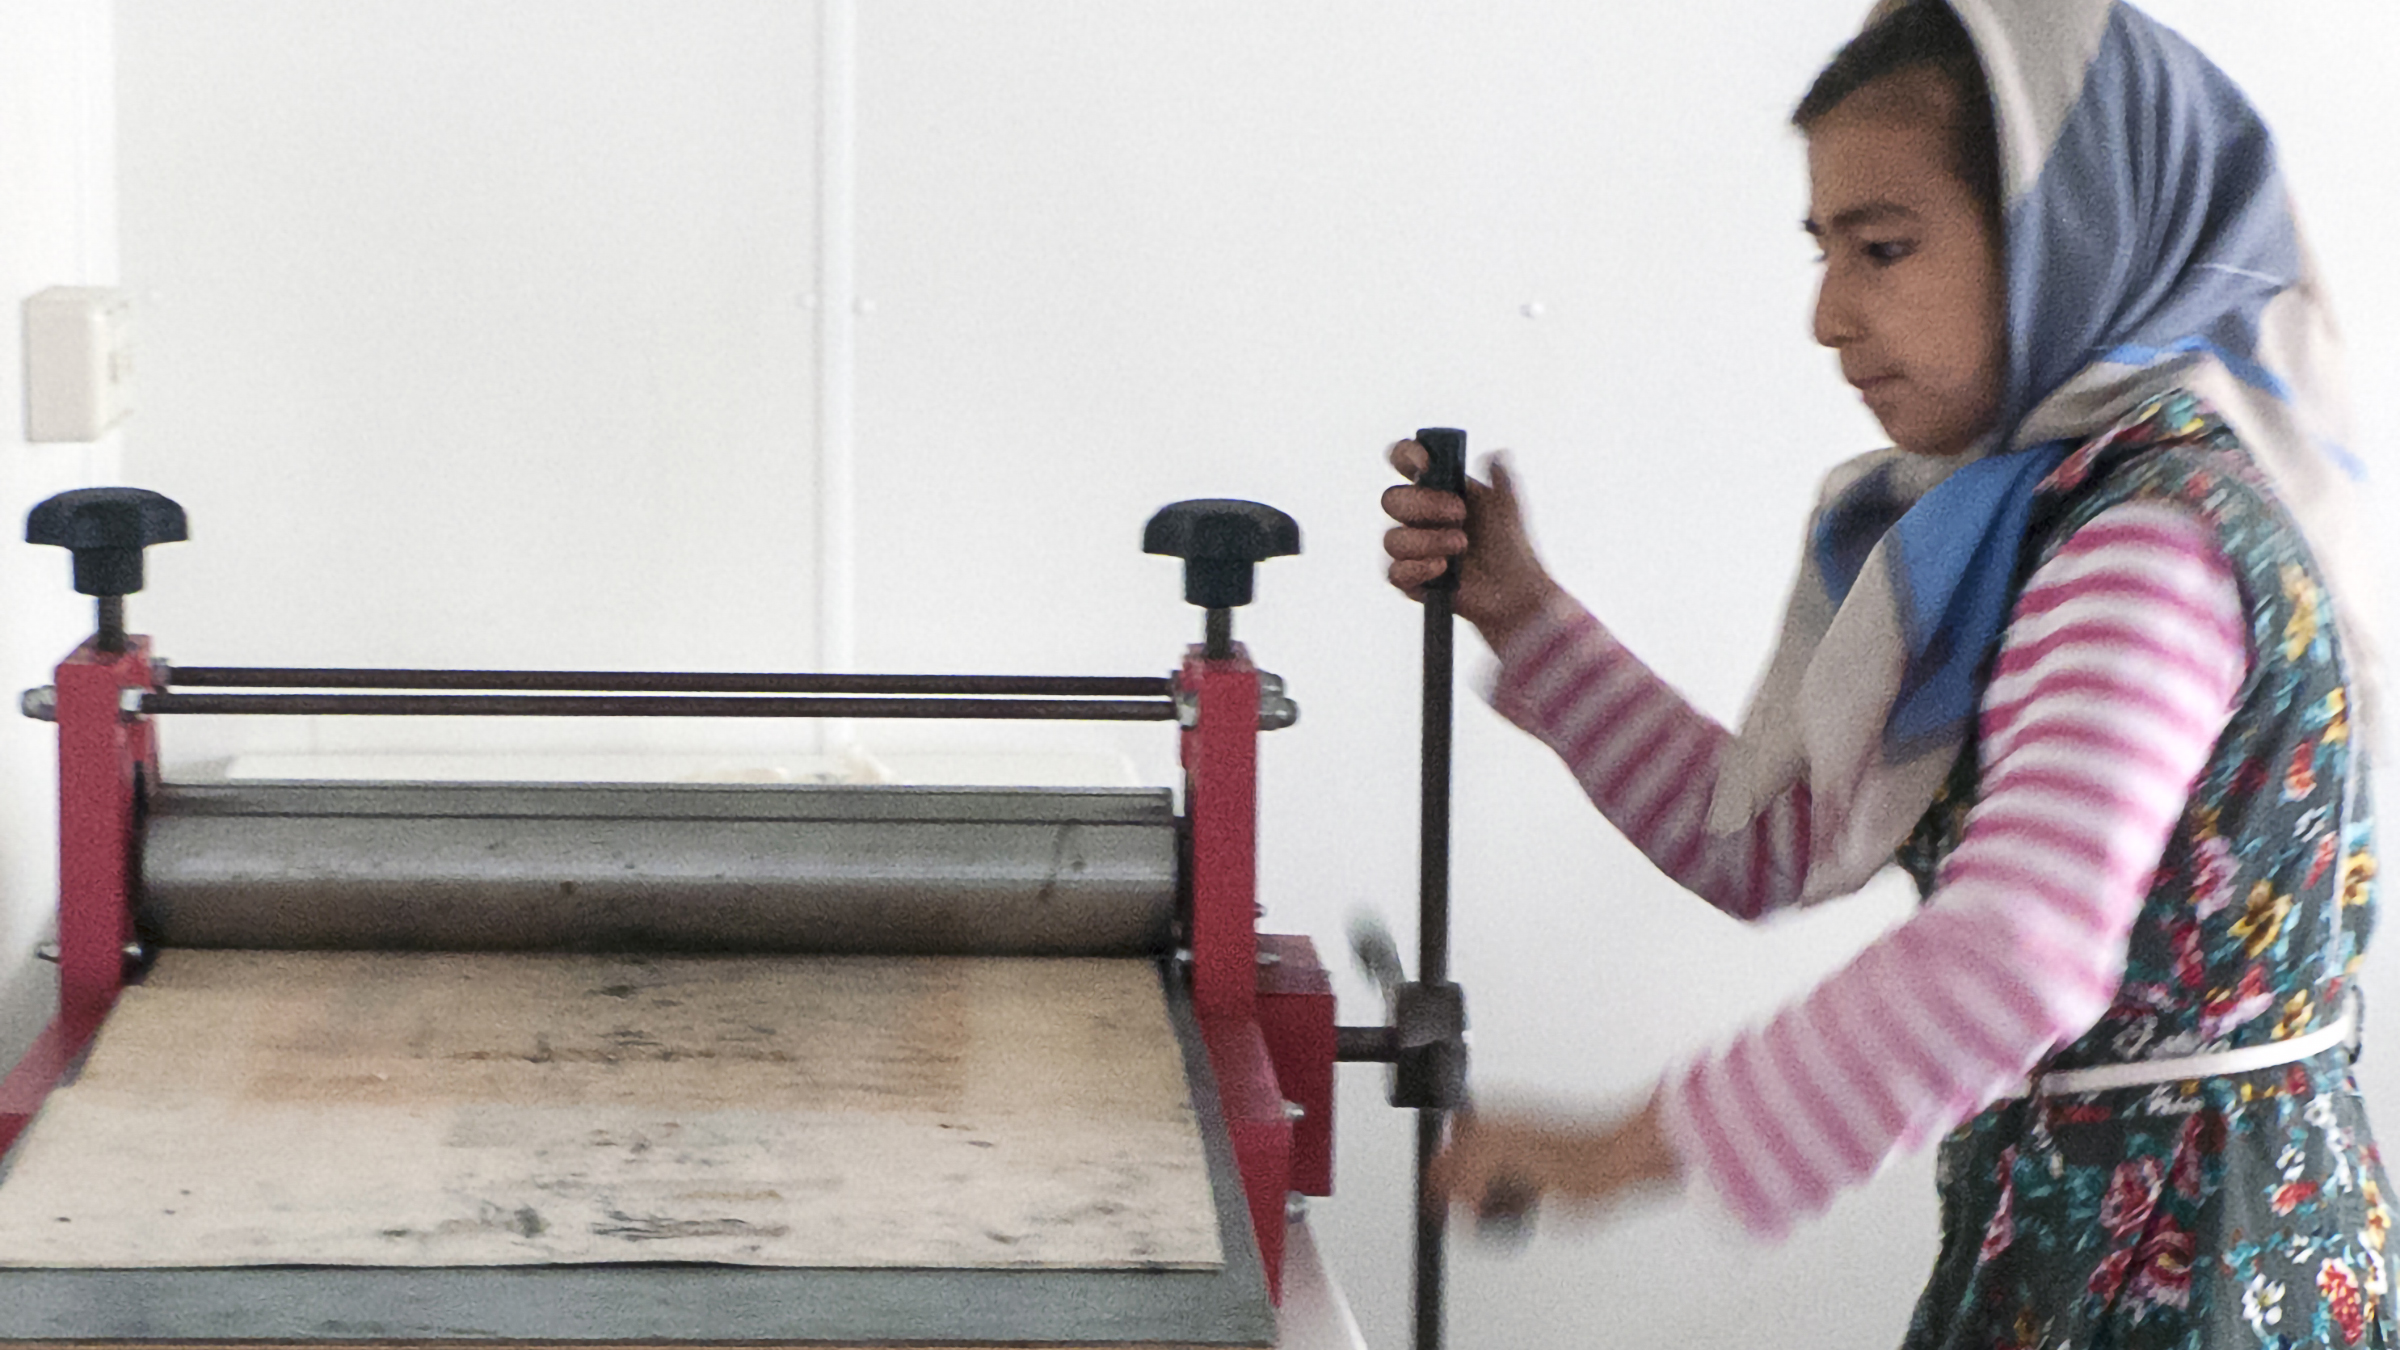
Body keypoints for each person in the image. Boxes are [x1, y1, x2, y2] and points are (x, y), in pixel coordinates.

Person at [1385, 1, 2391, 1343]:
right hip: (2088, 1238)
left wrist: (1619, 1151)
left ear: (2067, 227)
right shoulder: (2029, 528)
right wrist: (1530, 620)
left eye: (1885, 248)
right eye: (1825, 251)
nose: (1829, 315)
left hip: (2189, 1266)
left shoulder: (2145, 548)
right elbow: (1768, 841)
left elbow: (2018, 947)